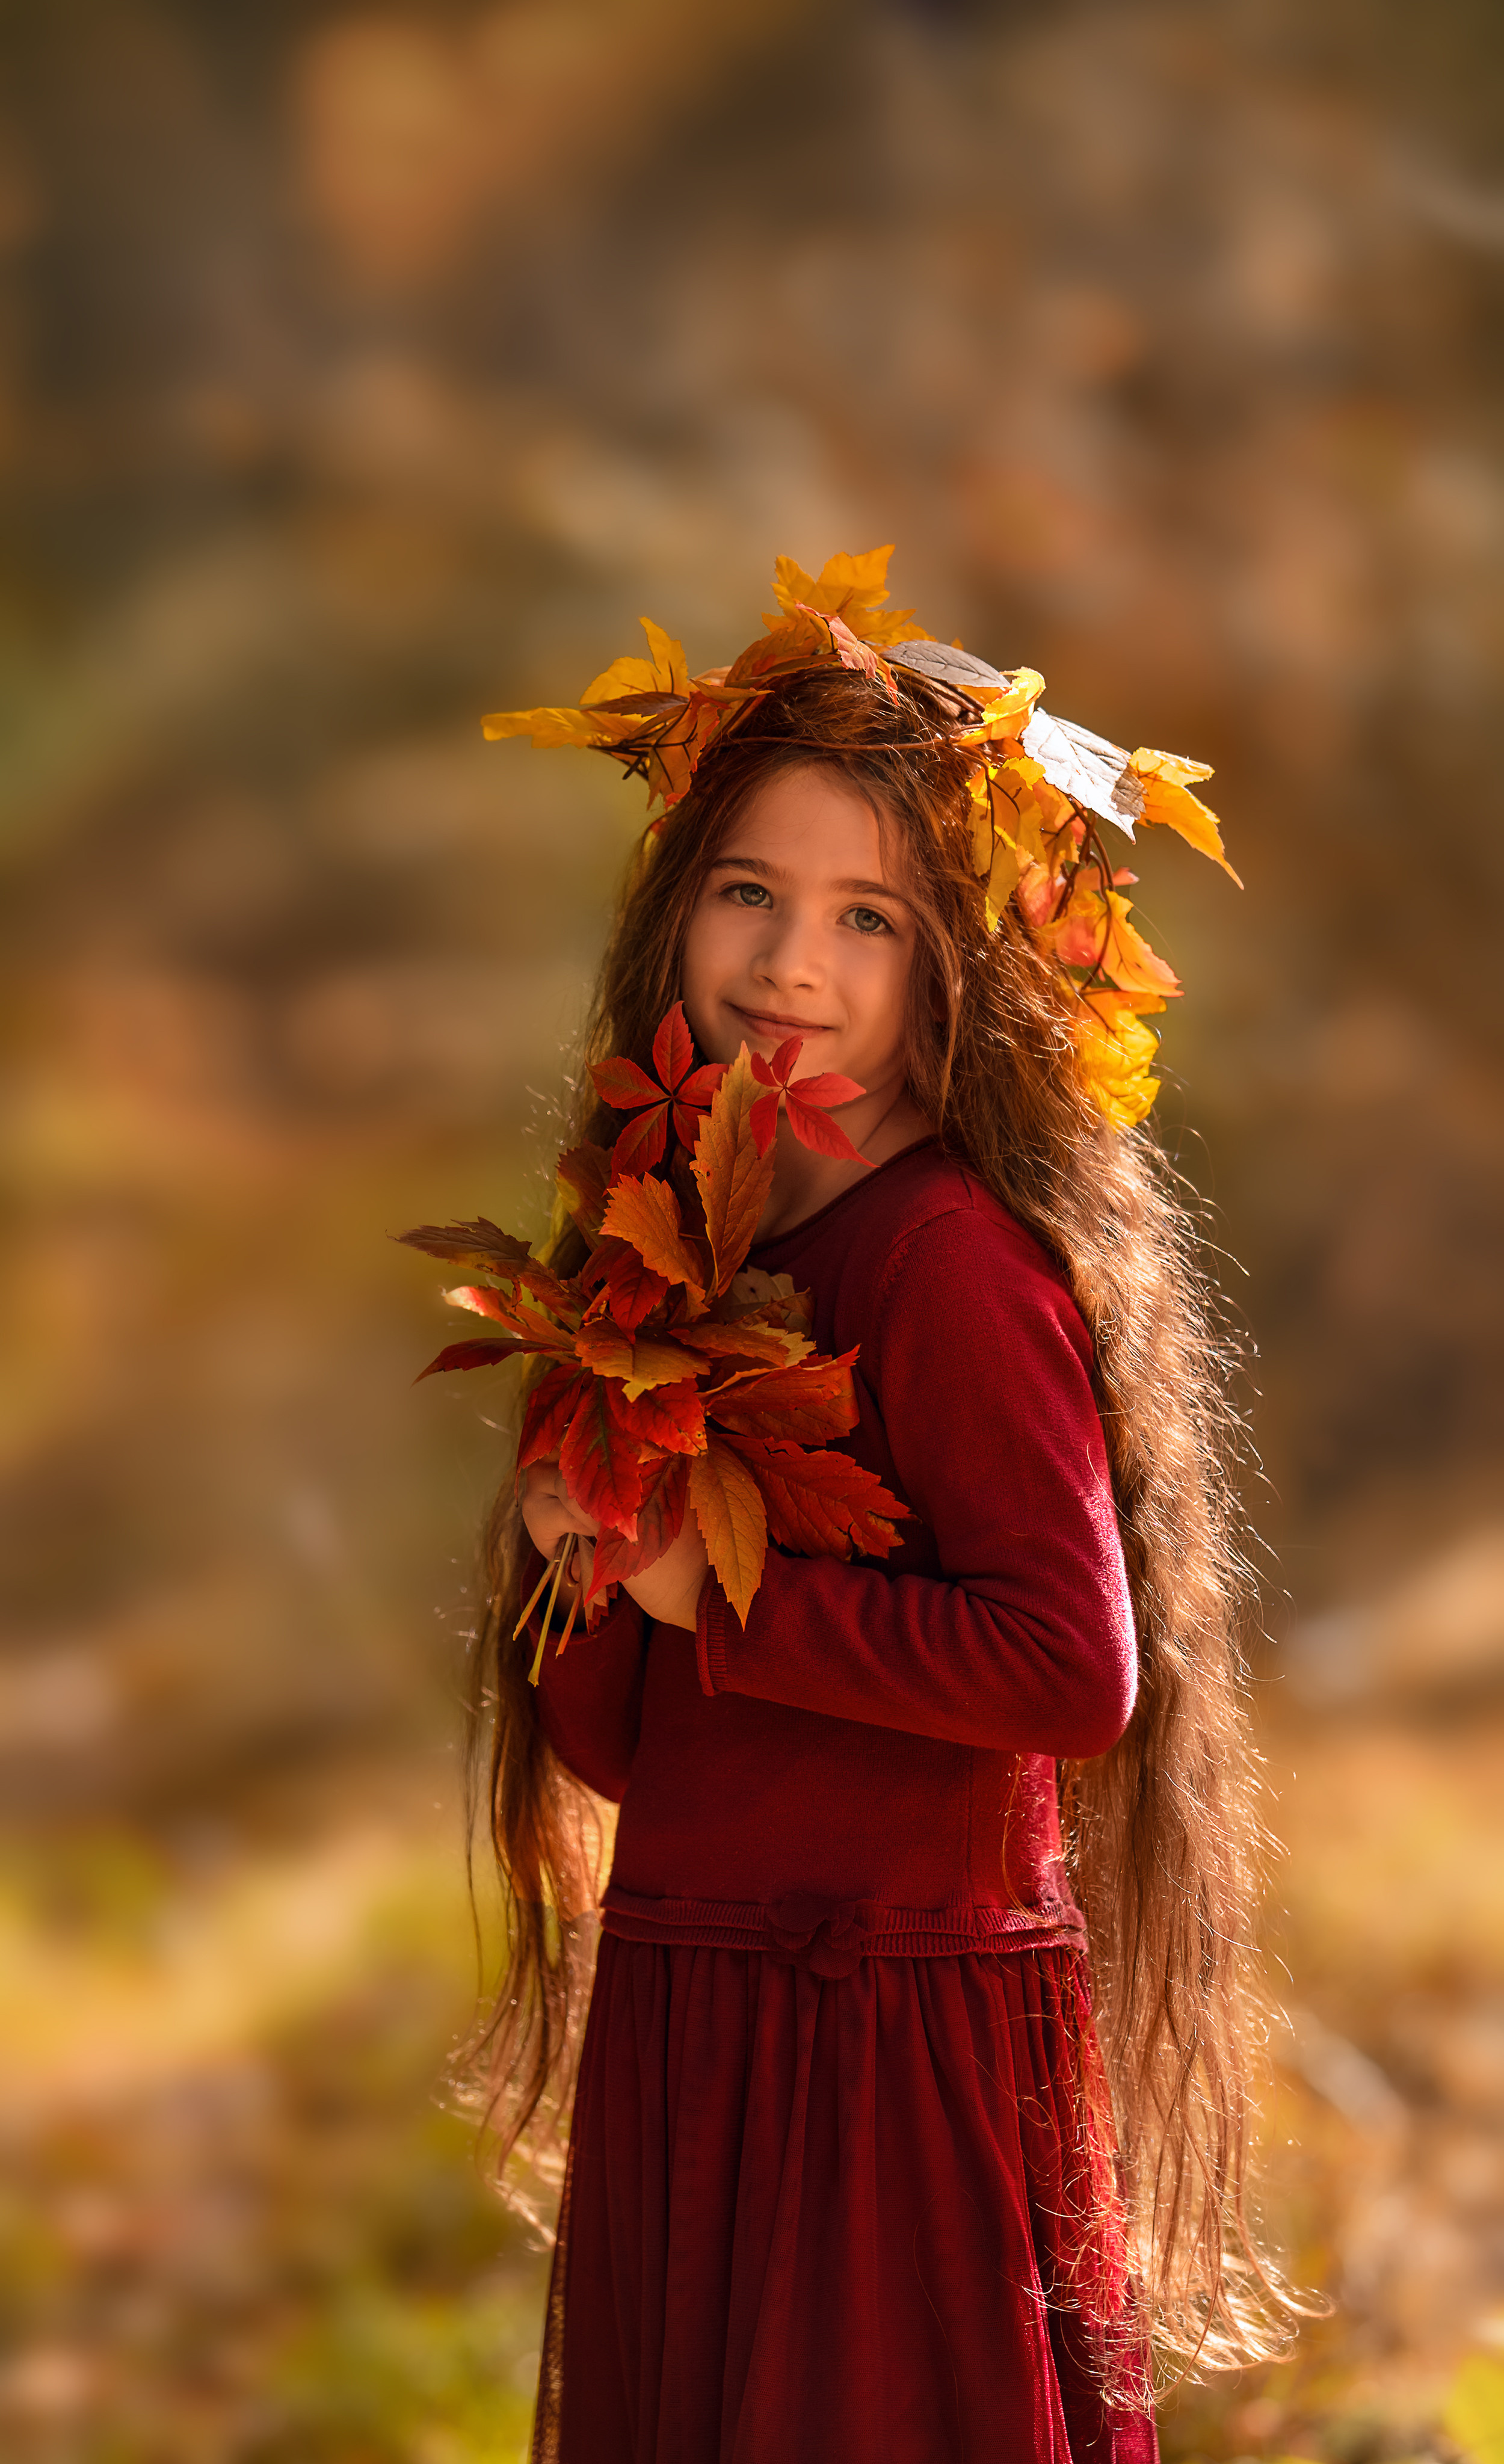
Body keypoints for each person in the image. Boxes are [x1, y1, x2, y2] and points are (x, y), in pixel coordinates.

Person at [461, 553, 1289, 2462]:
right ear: (675, 916)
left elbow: (1068, 1669)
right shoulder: (671, 1256)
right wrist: (580, 1562)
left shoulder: (943, 1264)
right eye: (746, 894)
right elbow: (618, 1754)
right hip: (700, 2014)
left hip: (881, 2036)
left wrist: (711, 1598)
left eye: (871, 921)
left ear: (964, 971)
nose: (788, 966)